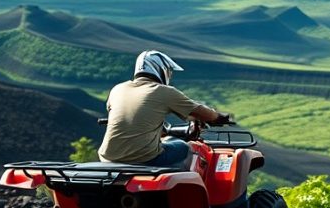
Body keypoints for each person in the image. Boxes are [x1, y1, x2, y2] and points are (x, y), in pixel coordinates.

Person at [98, 50, 232, 167]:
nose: (170, 75)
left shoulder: (118, 89)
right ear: (160, 69)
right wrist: (219, 117)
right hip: (144, 158)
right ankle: (188, 183)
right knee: (186, 148)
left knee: (166, 142)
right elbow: (202, 112)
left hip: (107, 157)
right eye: (169, 71)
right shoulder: (163, 91)